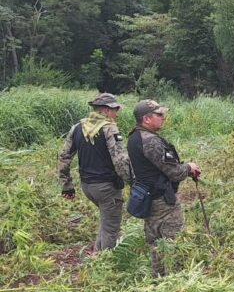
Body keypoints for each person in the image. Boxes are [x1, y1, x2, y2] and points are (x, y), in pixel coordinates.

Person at [127, 99, 201, 277]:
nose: (163, 118)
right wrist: (189, 167)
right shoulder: (150, 141)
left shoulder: (134, 137)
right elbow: (174, 172)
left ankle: (159, 279)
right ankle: (176, 280)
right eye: (159, 115)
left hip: (147, 196)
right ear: (146, 119)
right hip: (162, 201)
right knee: (173, 242)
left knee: (155, 244)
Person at [58, 93, 131, 252]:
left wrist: (67, 185)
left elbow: (64, 156)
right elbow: (120, 160)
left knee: (106, 223)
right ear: (105, 110)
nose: (117, 113)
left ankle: (97, 256)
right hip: (106, 187)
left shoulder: (77, 127)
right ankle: (106, 265)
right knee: (111, 228)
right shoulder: (109, 128)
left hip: (87, 187)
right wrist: (134, 182)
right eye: (115, 109)